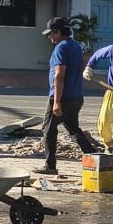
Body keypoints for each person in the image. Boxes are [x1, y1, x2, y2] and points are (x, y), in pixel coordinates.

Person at [37, 17, 97, 175]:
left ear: (57, 32)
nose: (49, 37)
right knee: (73, 129)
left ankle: (50, 166)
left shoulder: (61, 48)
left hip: (62, 97)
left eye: (50, 33)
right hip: (76, 96)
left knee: (48, 130)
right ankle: (95, 158)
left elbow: (59, 75)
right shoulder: (75, 46)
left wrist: (57, 102)